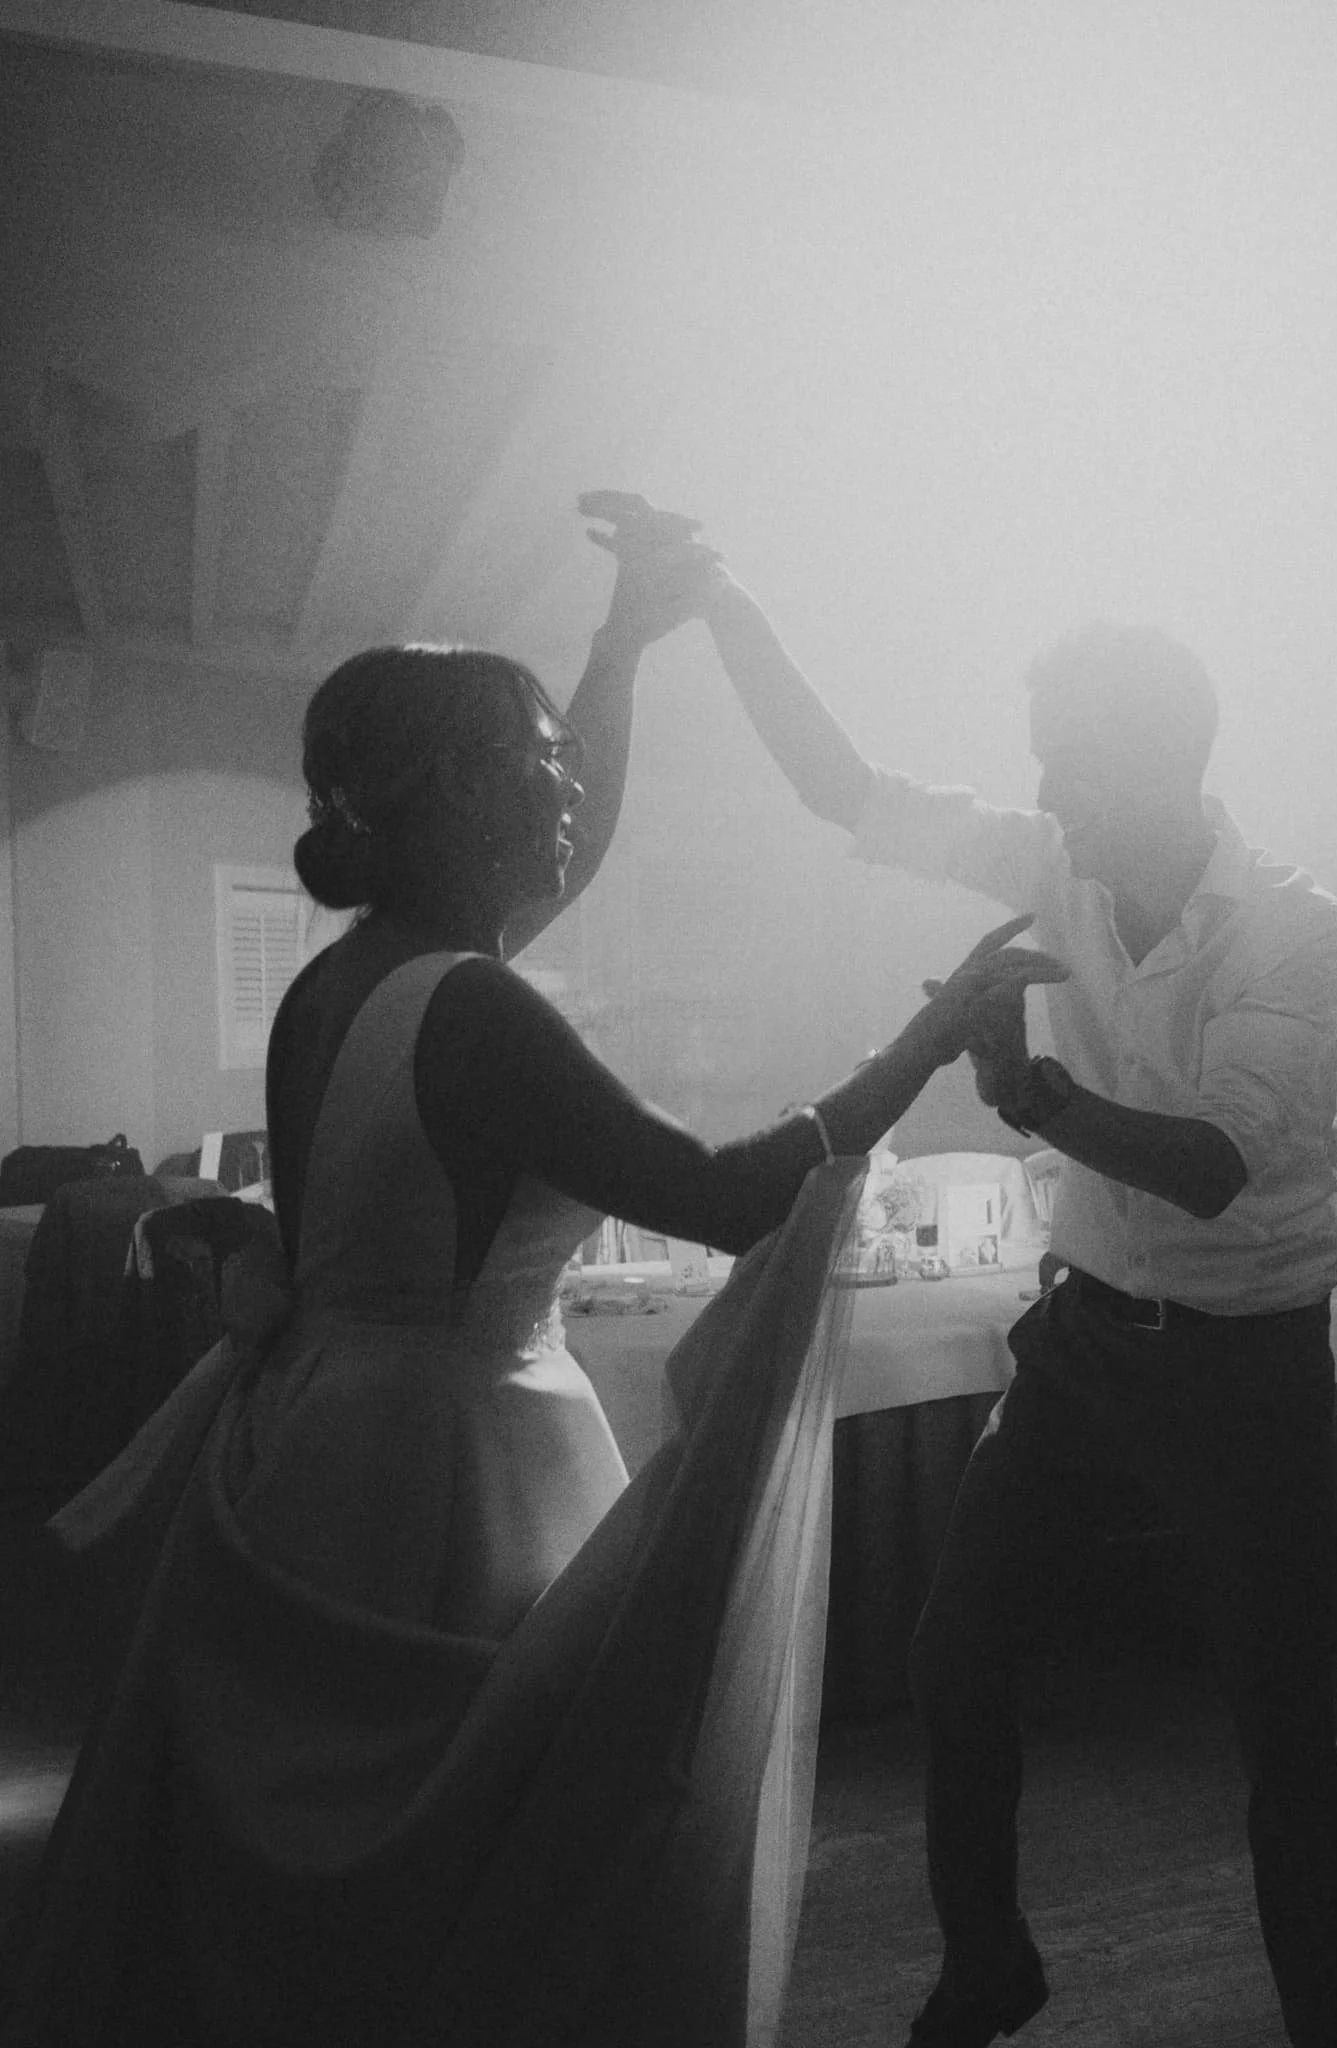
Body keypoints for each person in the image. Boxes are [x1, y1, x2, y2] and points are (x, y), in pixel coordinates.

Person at [0, 503, 1065, 2048]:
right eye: (540, 761)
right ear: (454, 792)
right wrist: (929, 1032)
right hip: (460, 1470)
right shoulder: (480, 1011)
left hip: (314, 1444)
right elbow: (721, 1198)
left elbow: (580, 846)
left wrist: (621, 644)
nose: (568, 787)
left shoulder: (340, 981)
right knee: (490, 1850)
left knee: (338, 1875)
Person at [693, 570, 1337, 2048]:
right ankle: (986, 1964)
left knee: (1284, 1734)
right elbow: (846, 792)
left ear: (1164, 760)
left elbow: (1211, 1166)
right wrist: (725, 607)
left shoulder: (1293, 925)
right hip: (1080, 1342)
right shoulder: (1047, 857)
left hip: (1247, 1360)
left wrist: (1027, 1093)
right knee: (954, 1656)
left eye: (1072, 759)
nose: (1048, 790)